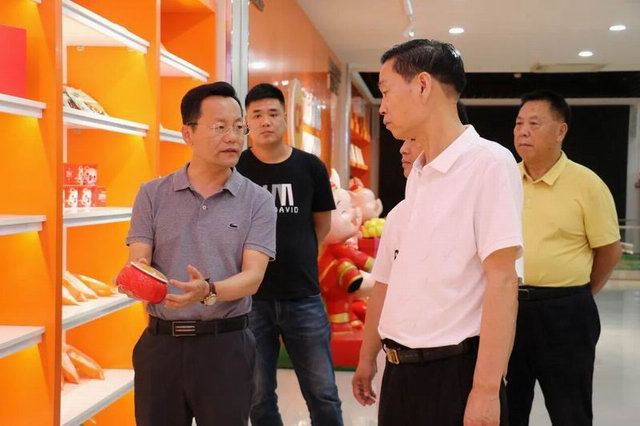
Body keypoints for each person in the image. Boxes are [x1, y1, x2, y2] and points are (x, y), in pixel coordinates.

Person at [352, 39, 523, 425]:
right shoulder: (421, 174)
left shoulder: (488, 164)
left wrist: (485, 390)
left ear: (423, 85)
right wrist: (370, 356)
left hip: (453, 373)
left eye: (385, 91)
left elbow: (502, 282)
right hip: (401, 370)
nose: (383, 107)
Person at [121, 82, 277, 426]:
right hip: (161, 344)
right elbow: (139, 260)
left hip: (226, 346)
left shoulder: (258, 201)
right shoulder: (152, 194)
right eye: (220, 127)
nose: (233, 137)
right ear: (188, 133)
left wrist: (208, 290)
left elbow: (253, 277)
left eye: (238, 127)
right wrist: (136, 279)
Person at [507, 90, 622, 426]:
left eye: (534, 124)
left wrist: (580, 292)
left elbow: (609, 251)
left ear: (561, 131)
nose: (523, 131)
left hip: (565, 314)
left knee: (569, 409)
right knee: (507, 409)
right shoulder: (504, 179)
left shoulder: (587, 184)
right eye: (518, 123)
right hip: (507, 307)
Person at [236, 83, 342, 426]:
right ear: (246, 122)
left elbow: (321, 225)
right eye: (257, 115)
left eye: (273, 113)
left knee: (323, 392)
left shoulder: (310, 167)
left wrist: (301, 255)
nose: (265, 121)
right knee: (258, 396)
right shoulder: (236, 168)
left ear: (286, 117)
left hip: (303, 296)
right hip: (252, 299)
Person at [400, 100, 468, 177]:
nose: (403, 149)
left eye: (413, 138)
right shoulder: (414, 180)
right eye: (404, 139)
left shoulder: (476, 171)